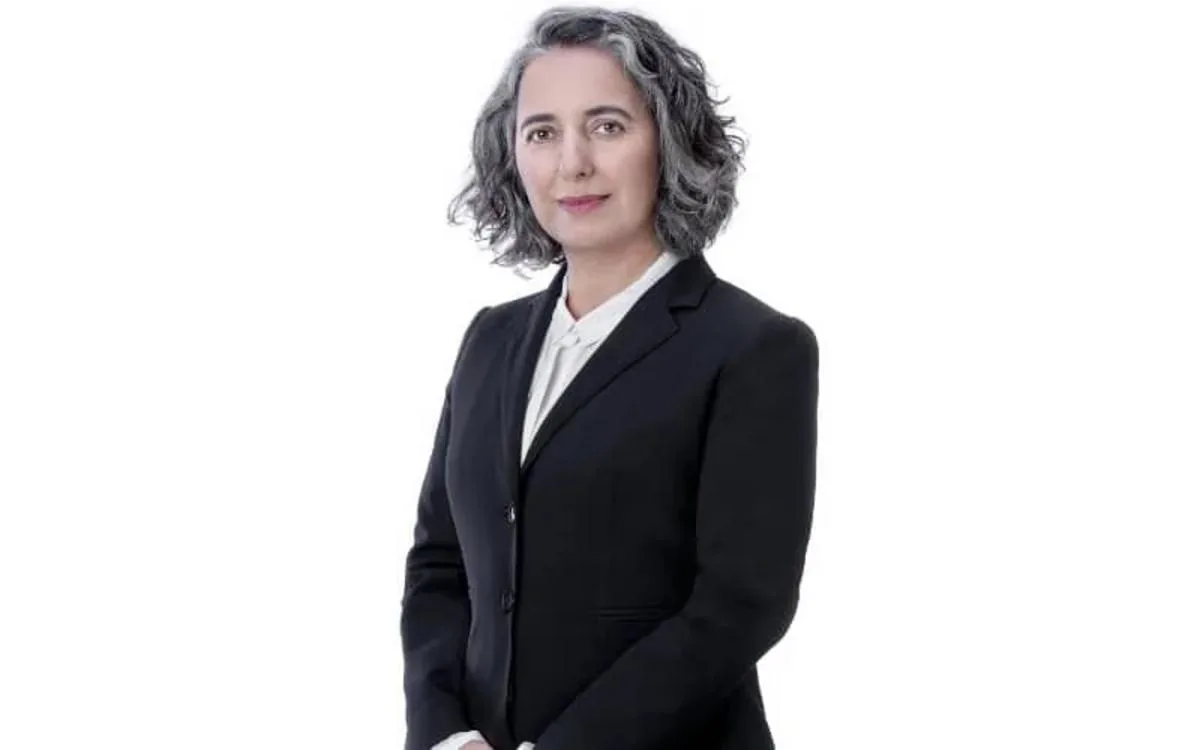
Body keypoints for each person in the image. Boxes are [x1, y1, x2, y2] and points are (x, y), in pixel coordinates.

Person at [400, 6, 819, 750]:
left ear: (669, 141)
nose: (573, 164)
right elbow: (441, 564)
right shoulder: (489, 340)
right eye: (542, 132)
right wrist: (447, 734)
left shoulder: (753, 347)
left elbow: (739, 605)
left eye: (607, 126)